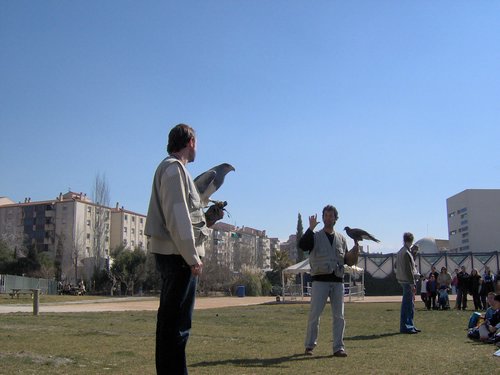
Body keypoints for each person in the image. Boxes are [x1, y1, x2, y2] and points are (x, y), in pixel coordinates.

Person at [145, 124, 223, 375]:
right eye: (196, 141)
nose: (197, 146)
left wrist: (208, 221)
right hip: (178, 257)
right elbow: (178, 217)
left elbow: (187, 215)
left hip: (176, 255)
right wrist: (192, 257)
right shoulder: (173, 169)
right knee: (176, 327)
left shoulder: (177, 171)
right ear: (190, 141)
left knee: (172, 325)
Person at [299, 205, 359, 357]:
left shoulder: (341, 239)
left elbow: (346, 260)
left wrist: (355, 250)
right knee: (315, 315)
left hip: (337, 281)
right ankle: (309, 346)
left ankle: (338, 347)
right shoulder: (315, 236)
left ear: (335, 219)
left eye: (331, 216)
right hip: (319, 280)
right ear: (323, 217)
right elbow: (303, 246)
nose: (328, 218)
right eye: (326, 215)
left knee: (339, 316)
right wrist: (310, 228)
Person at [395, 232, 421, 334]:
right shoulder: (406, 253)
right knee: (408, 305)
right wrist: (412, 283)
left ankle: (409, 325)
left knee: (409, 304)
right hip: (407, 281)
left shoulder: (401, 252)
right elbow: (408, 270)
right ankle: (407, 326)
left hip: (403, 280)